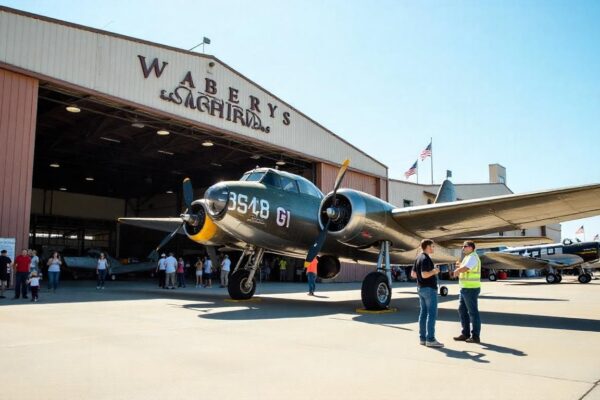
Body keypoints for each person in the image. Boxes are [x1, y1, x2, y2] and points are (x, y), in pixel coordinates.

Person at [412, 239, 443, 348]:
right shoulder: (425, 258)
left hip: (421, 289)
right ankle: (430, 339)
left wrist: (422, 278)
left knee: (423, 313)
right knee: (432, 314)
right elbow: (424, 274)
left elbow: (413, 274)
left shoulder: (418, 258)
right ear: (428, 247)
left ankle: (422, 338)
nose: (433, 248)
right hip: (429, 289)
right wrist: (434, 271)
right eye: (432, 246)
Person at [453, 241, 482, 343]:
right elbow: (465, 267)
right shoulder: (467, 257)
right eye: (463, 246)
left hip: (471, 288)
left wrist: (457, 270)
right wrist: (459, 266)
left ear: (471, 247)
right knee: (462, 310)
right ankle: (465, 334)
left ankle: (475, 336)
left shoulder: (473, 257)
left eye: (465, 246)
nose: (463, 248)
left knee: (473, 313)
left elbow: (466, 268)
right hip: (465, 288)